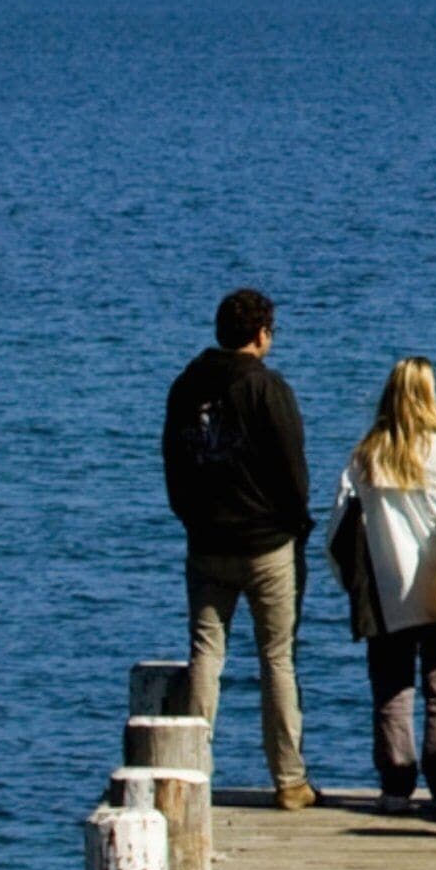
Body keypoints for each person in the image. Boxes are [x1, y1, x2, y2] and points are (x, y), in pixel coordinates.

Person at [163, 287, 317, 811]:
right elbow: (293, 467)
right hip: (267, 541)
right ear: (262, 334)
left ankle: (191, 771)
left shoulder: (186, 386)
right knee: (277, 658)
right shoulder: (268, 389)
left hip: (206, 539)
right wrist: (297, 522)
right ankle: (289, 779)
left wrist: (189, 517)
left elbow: (173, 463)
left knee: (206, 653)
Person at [330, 355, 436, 818]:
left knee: (392, 691)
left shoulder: (366, 456)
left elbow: (339, 532)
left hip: (387, 594)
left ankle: (396, 787)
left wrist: (350, 582)